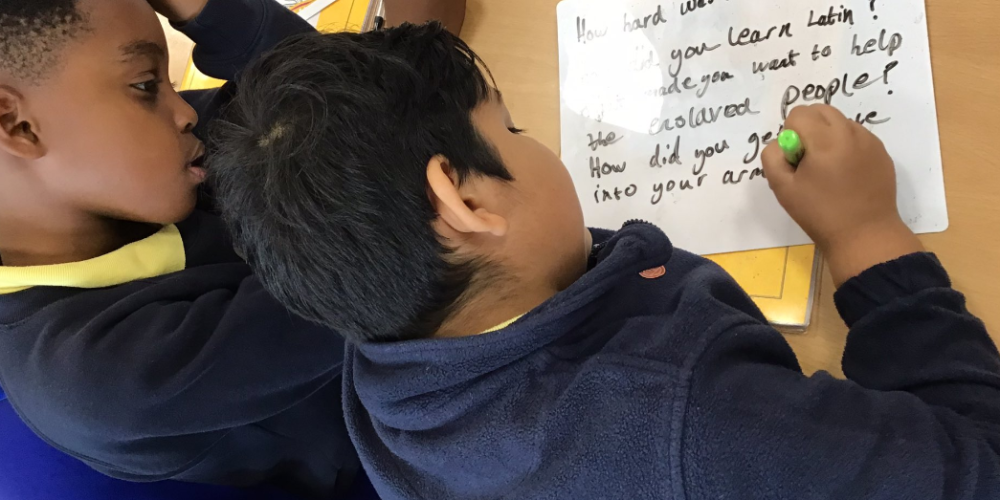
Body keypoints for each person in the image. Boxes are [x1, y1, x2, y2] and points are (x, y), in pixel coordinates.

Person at [212, 22, 1000, 500]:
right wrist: (866, 234)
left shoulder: (389, 367)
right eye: (513, 129)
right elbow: (983, 465)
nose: (533, 140)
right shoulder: (689, 418)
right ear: (464, 202)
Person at [0, 1, 461, 498]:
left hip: (425, 357)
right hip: (415, 445)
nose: (183, 111)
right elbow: (391, 275)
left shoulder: (145, 167)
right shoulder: (105, 375)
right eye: (146, 85)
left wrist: (205, 9)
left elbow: (346, 91)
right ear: (17, 125)